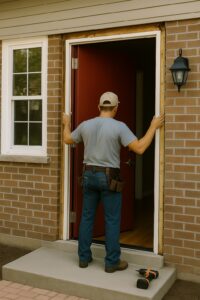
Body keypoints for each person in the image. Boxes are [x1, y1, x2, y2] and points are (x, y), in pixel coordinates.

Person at [63, 91, 164, 273]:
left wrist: (66, 124)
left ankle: (83, 259)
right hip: (108, 178)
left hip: (88, 175)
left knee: (86, 217)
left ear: (98, 106)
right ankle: (111, 263)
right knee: (111, 220)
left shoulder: (85, 125)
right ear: (116, 108)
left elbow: (67, 139)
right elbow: (140, 148)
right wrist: (153, 127)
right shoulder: (119, 127)